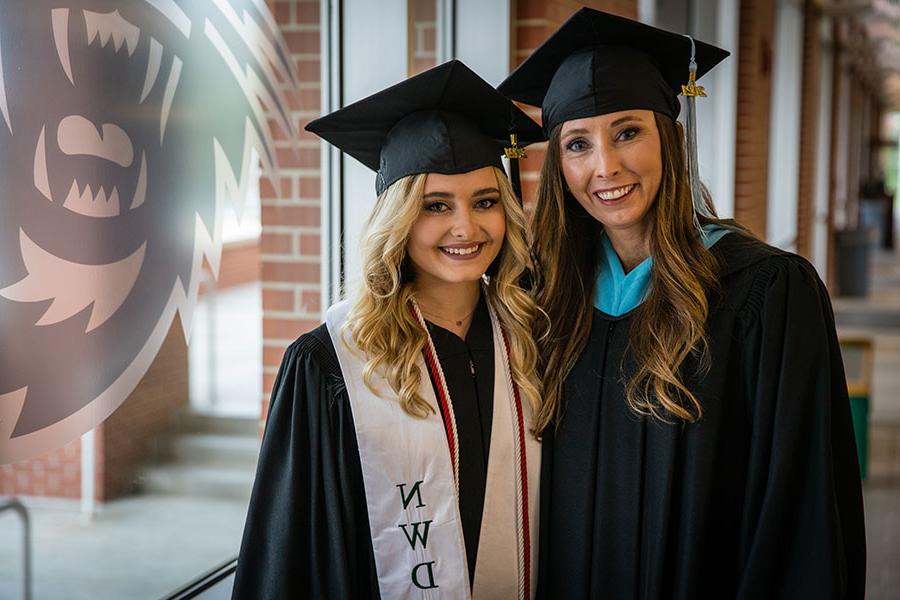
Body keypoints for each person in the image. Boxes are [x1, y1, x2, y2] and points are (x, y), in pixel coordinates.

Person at [499, 8, 866, 599]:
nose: (605, 167)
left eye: (627, 132)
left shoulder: (767, 293)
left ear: (672, 135)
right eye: (577, 144)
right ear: (558, 163)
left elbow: (799, 511)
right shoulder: (545, 302)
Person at [232, 60, 544, 599]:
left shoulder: (529, 338)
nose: (466, 227)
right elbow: (287, 551)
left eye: (485, 202)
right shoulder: (330, 364)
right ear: (398, 220)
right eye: (435, 206)